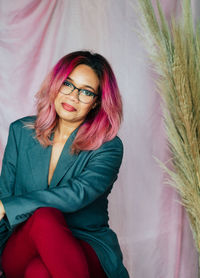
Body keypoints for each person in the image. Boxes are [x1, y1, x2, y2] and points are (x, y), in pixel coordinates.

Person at [0, 51, 129, 278]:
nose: (73, 96)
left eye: (86, 92)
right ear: (56, 85)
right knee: (43, 219)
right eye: (68, 84)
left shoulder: (108, 146)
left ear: (96, 102)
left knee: (38, 272)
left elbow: (77, 193)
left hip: (84, 241)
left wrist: (7, 205)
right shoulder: (20, 132)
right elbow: (5, 192)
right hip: (22, 243)